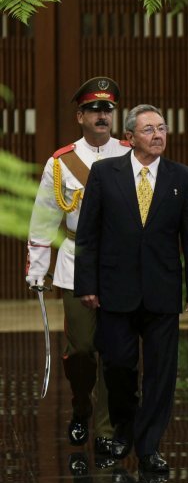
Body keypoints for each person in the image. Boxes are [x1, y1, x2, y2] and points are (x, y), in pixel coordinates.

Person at [74, 104, 188, 475]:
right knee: (117, 365)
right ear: (130, 137)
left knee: (162, 373)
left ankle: (149, 446)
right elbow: (88, 234)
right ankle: (124, 427)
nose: (158, 135)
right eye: (149, 130)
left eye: (162, 128)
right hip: (116, 289)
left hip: (163, 290)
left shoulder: (184, 177)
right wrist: (87, 284)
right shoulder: (105, 173)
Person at [26, 76, 129, 458]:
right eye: (95, 110)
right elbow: (44, 217)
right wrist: (37, 269)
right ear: (80, 116)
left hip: (120, 265)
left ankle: (104, 427)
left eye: (108, 110)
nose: (103, 116)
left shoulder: (130, 154)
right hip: (76, 261)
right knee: (82, 348)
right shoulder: (61, 161)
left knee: (113, 350)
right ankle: (81, 404)